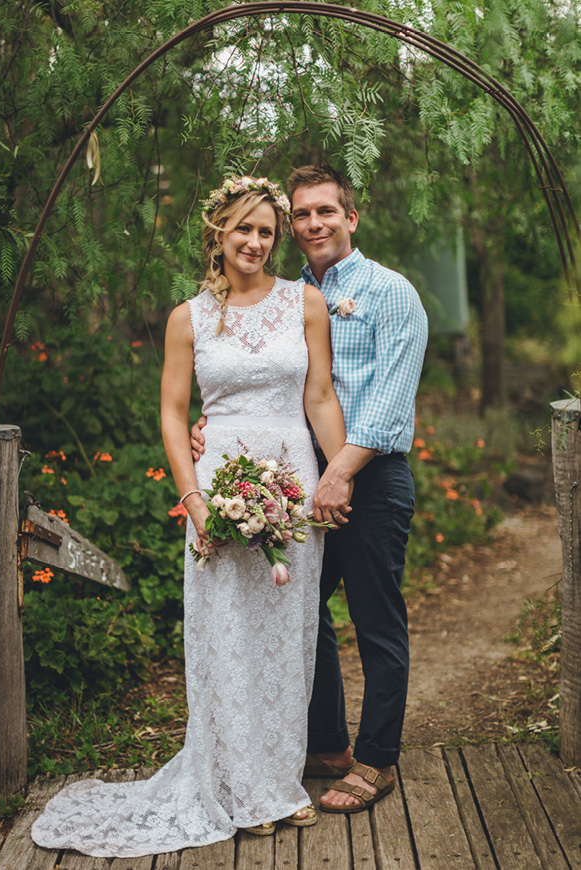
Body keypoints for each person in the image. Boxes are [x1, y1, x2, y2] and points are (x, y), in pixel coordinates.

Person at [30, 175, 346, 857]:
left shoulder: (306, 303)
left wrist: (339, 473)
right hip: (221, 485)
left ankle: (278, 783)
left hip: (292, 486)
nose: (256, 242)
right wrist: (195, 499)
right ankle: (232, 786)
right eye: (243, 228)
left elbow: (318, 395)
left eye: (266, 230)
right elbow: (173, 416)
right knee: (226, 634)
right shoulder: (190, 317)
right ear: (217, 234)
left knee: (286, 638)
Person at [192, 164, 428, 814]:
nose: (314, 223)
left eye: (326, 211)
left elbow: (385, 406)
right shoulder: (288, 298)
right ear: (291, 227)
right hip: (303, 481)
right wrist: (212, 433)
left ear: (350, 218)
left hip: (369, 478)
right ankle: (326, 744)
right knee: (302, 611)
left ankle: (377, 759)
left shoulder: (391, 293)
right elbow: (264, 381)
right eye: (302, 215)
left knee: (376, 618)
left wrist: (340, 472)